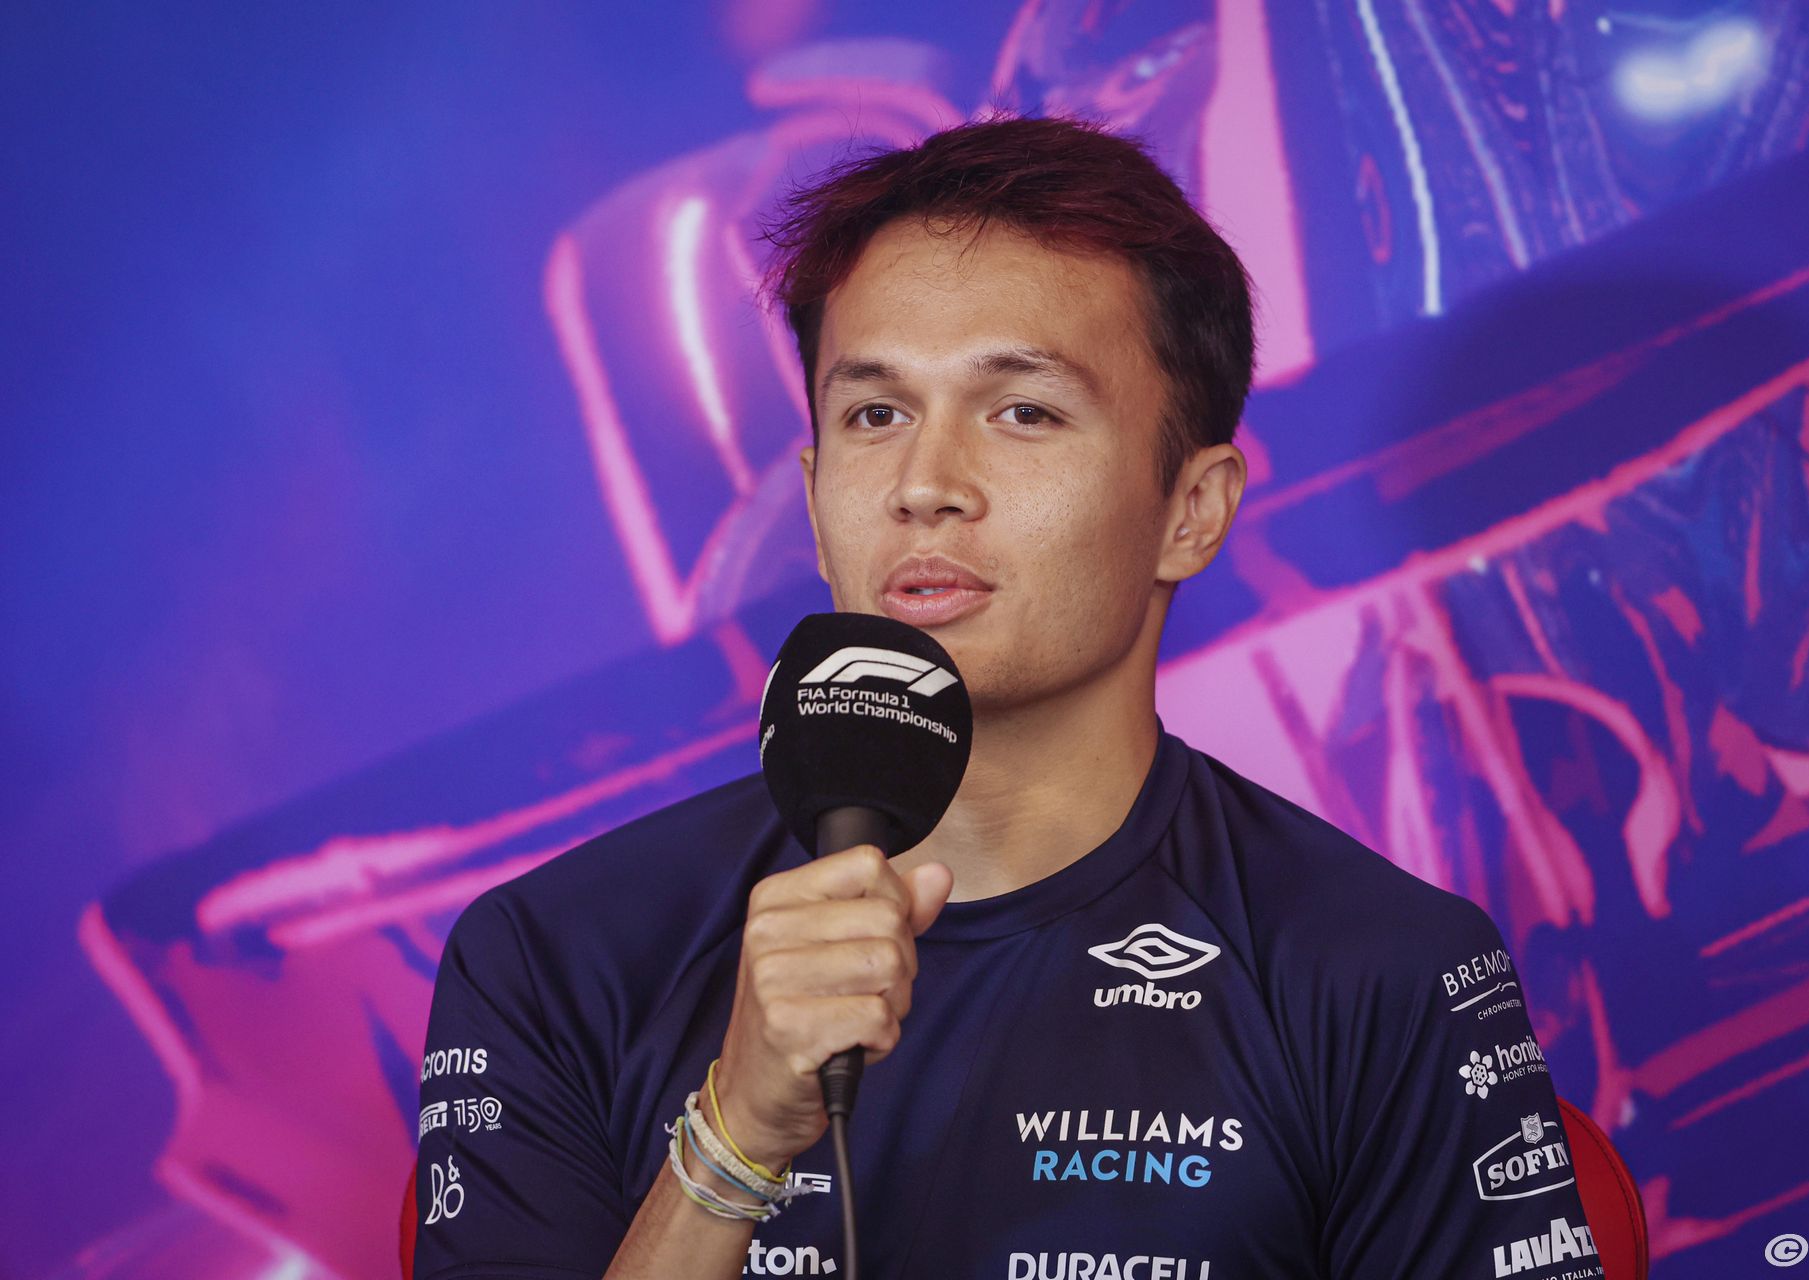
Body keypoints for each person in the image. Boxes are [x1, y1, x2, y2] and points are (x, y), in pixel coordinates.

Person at [413, 111, 1605, 1280]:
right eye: (877, 414)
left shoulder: (1380, 965)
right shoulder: (558, 956)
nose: (925, 483)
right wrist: (733, 1139)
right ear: (816, 497)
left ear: (1192, 511)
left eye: (1023, 411)